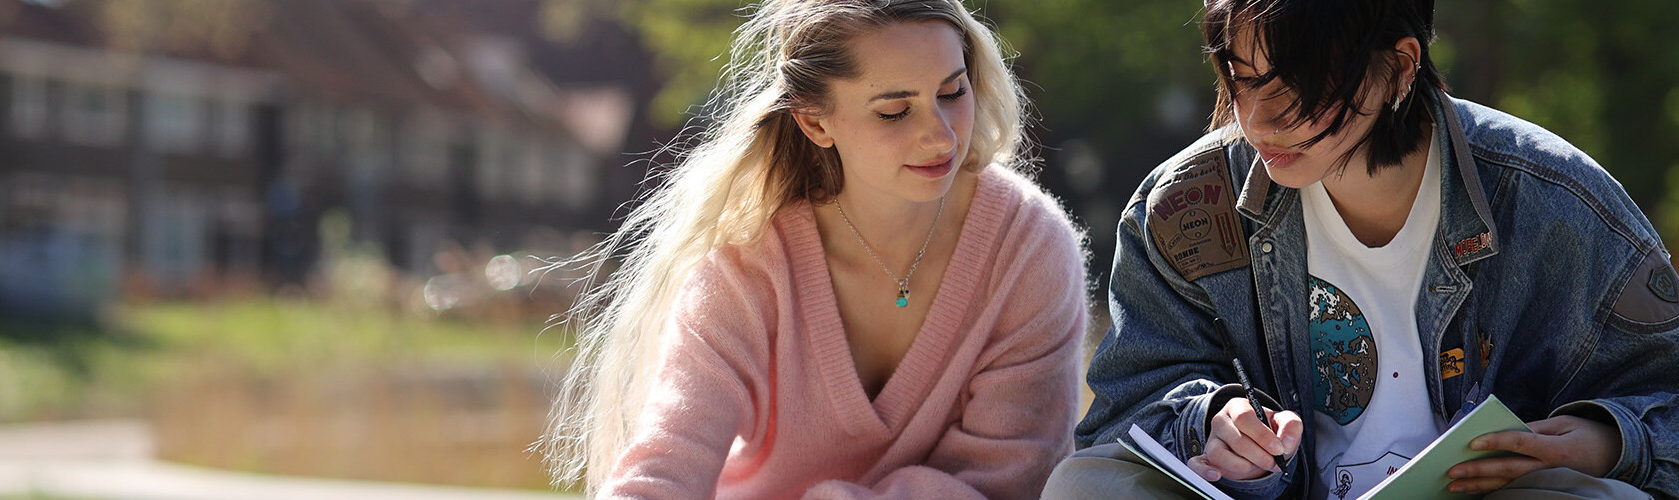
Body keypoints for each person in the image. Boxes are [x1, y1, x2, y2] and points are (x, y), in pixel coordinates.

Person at [1046, 0, 1677, 499]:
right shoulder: (1187, 208)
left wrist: (1608, 442)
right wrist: (1208, 421)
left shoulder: (1558, 203)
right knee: (1087, 487)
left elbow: (1665, 398)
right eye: (1242, 79)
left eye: (1294, 88)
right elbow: (1121, 414)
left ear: (1400, 66)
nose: (1259, 119)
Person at [538, 0, 1088, 498]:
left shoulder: (1029, 249)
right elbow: (664, 469)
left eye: (952, 92)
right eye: (895, 111)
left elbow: (1009, 483)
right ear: (814, 121)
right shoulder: (748, 268)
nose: (942, 136)